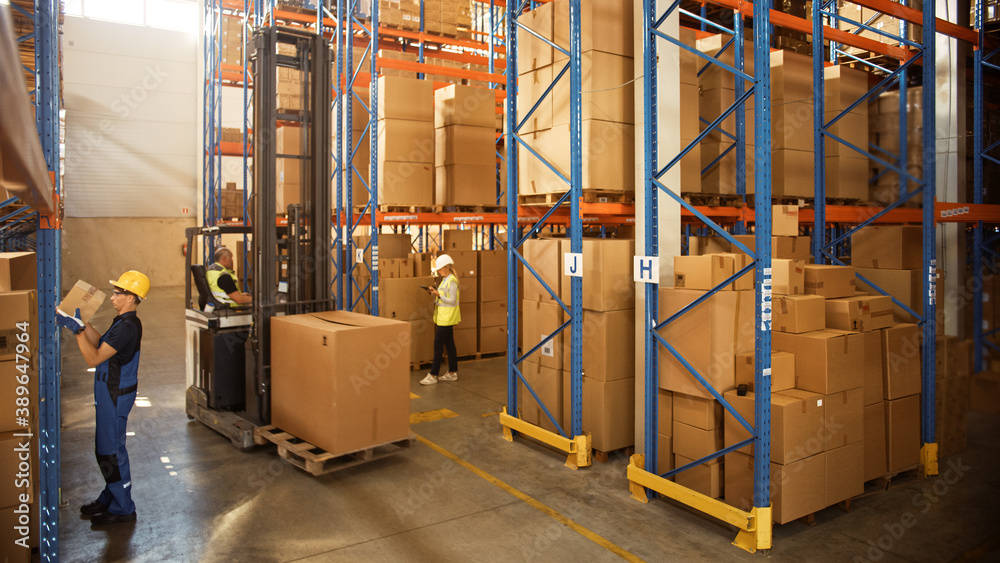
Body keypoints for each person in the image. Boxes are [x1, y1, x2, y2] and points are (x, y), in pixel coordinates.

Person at [56, 270, 149, 526]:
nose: (112, 297)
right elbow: (101, 343)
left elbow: (93, 358)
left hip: (115, 394)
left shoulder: (128, 327)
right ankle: (110, 496)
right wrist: (83, 325)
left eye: (118, 293)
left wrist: (76, 333)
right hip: (111, 392)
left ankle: (123, 508)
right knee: (108, 449)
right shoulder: (122, 321)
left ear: (131, 298)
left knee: (110, 452)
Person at [420, 254, 460, 386]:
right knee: (450, 345)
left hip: (447, 319)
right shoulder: (445, 280)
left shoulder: (452, 281)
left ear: (447, 267)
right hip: (443, 318)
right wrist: (435, 292)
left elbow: (452, 300)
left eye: (440, 269)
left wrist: (438, 294)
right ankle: (452, 372)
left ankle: (433, 374)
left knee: (438, 346)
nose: (438, 271)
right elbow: (444, 297)